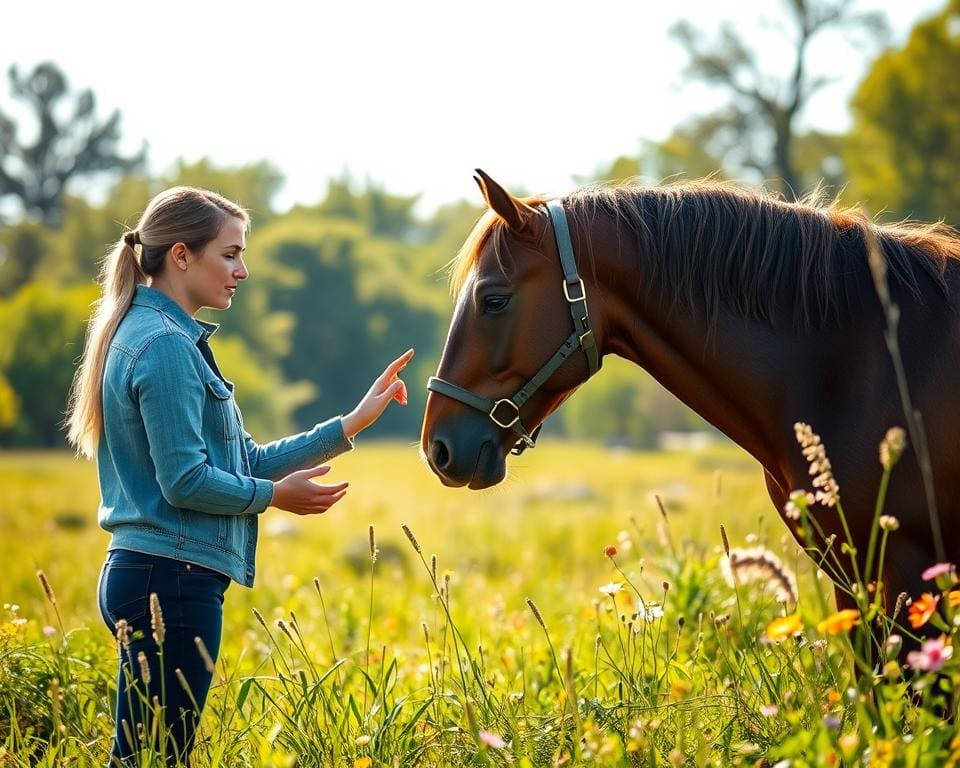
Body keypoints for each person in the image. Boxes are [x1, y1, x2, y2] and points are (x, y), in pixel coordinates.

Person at [65, 186, 413, 766]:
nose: (242, 271)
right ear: (181, 256)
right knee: (154, 759)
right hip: (170, 579)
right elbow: (186, 481)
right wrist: (275, 498)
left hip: (153, 572)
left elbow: (238, 461)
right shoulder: (166, 345)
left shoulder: (156, 335)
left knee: (144, 757)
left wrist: (350, 423)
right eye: (229, 254)